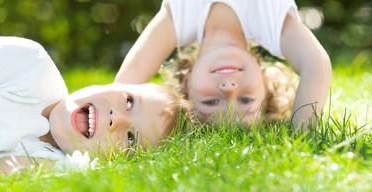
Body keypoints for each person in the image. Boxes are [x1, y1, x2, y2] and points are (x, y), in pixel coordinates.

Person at [0, 36, 191, 175]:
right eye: (129, 101)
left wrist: (68, 167)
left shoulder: (53, 161)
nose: (116, 119)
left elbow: (3, 170)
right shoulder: (30, 65)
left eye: (130, 138)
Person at [115, 0, 332, 129]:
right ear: (264, 79)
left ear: (187, 83)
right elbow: (316, 65)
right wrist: (301, 137)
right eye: (246, 100)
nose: (229, 90)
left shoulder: (181, 19)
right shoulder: (267, 21)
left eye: (210, 102)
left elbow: (122, 87)